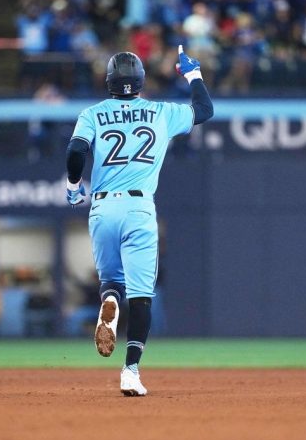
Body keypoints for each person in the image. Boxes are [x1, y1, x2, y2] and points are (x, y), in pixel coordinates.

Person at [65, 46, 213, 396]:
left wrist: (73, 186)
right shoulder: (161, 112)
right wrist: (192, 74)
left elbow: (76, 151)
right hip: (139, 207)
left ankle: (110, 300)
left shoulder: (93, 113)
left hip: (103, 207)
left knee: (111, 281)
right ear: (142, 80)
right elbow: (204, 110)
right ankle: (130, 370)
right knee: (142, 295)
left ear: (109, 81)